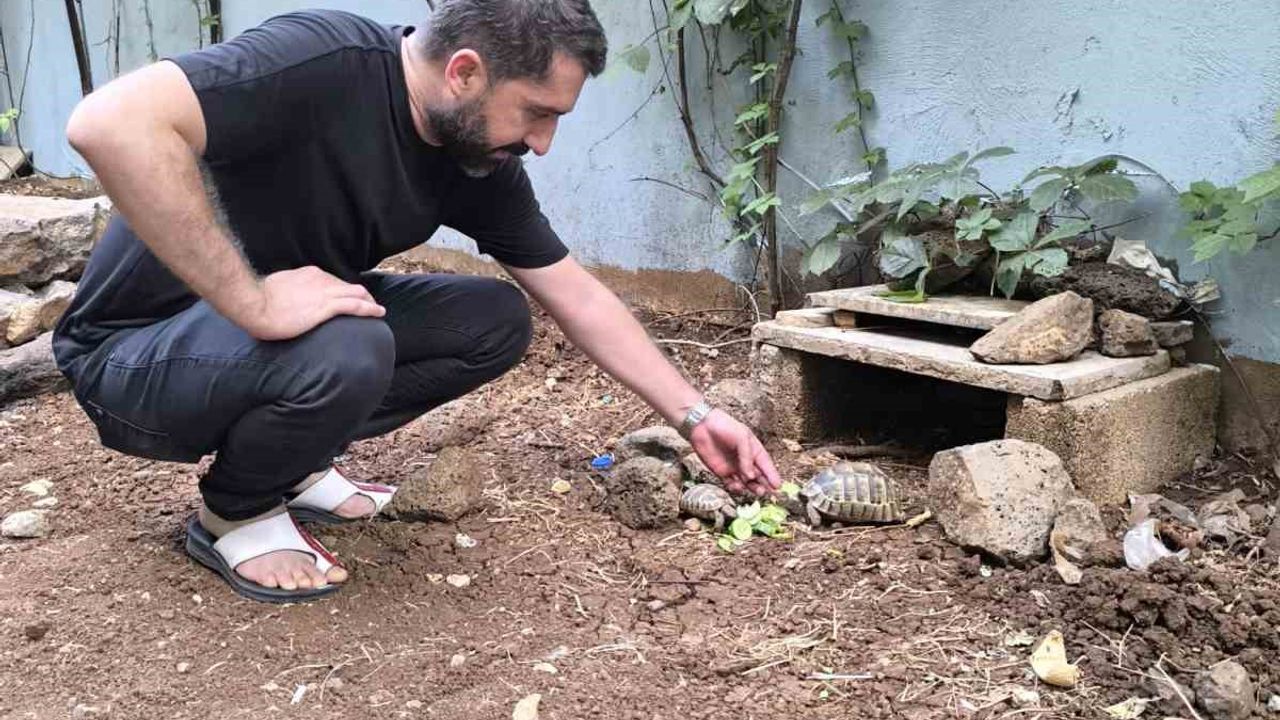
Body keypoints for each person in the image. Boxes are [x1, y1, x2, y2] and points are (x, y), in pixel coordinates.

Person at [54, 0, 781, 604]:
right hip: (131, 354)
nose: (544, 142)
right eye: (536, 112)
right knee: (351, 345)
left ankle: (291, 463)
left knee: (493, 321)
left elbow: (577, 296)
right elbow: (108, 122)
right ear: (465, 71)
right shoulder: (320, 60)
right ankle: (234, 512)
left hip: (265, 347)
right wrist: (255, 301)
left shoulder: (473, 158)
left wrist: (696, 416)